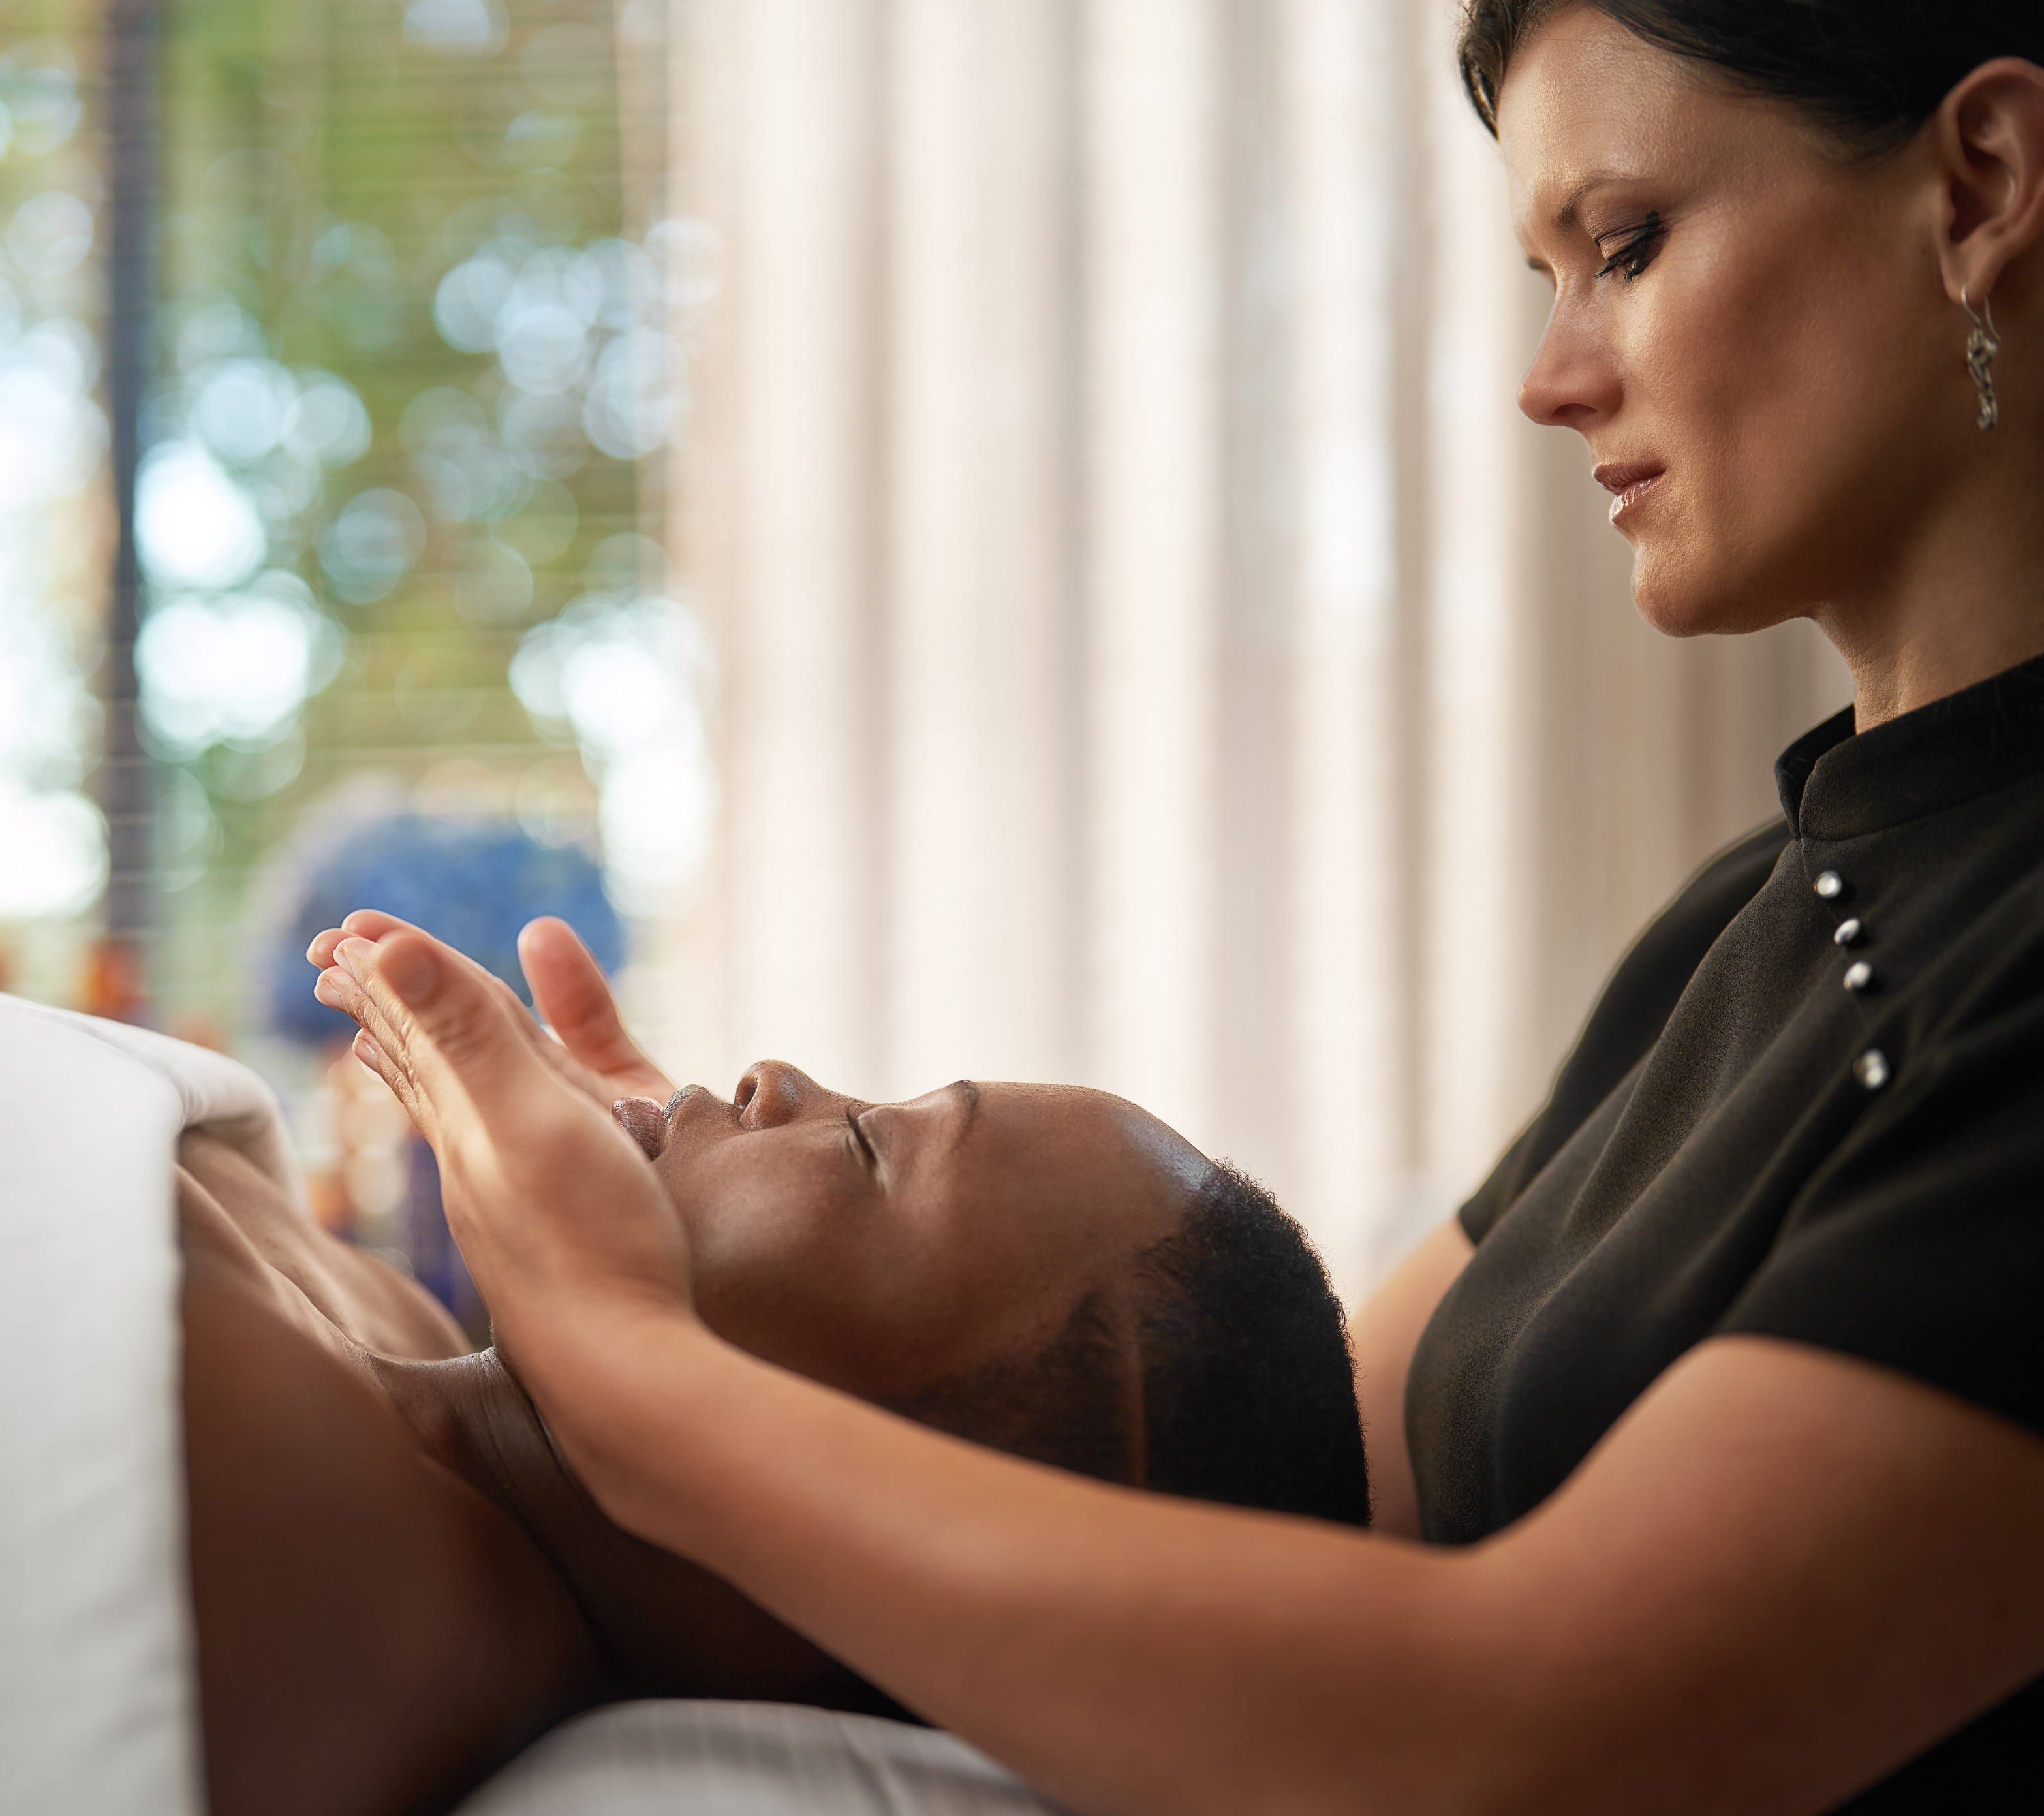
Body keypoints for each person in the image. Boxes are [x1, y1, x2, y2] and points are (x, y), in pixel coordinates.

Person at [310, 4, 2044, 1809]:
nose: (1546, 378)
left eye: (1623, 245)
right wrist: (728, 1259)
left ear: (1976, 182)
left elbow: (1556, 1723)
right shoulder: (1748, 912)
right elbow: (1287, 1485)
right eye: (1545, 276)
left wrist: (638, 1375)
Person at [179, 1016, 1365, 1816]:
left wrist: (619, 1309)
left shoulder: (300, 1519)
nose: (774, 1080)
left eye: (863, 1146)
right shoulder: (402, 1342)